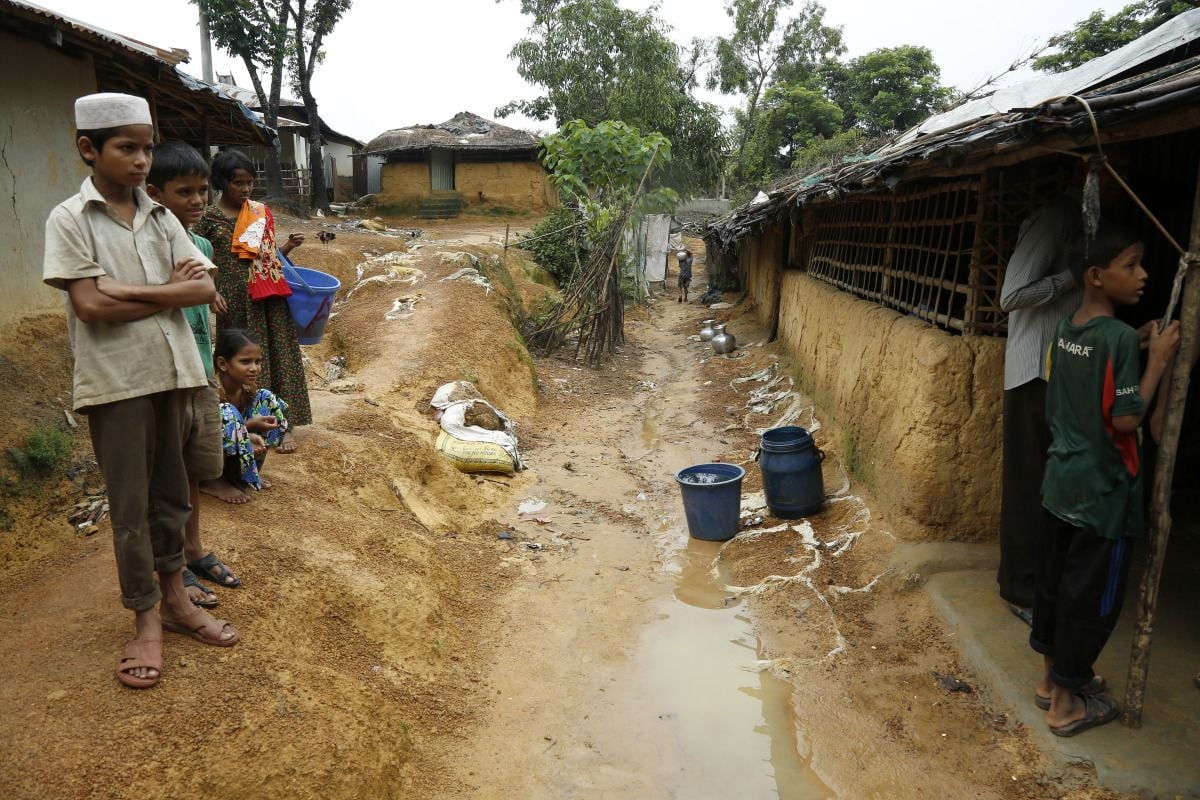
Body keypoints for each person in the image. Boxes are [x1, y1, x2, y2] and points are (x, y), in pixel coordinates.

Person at [43, 93, 239, 689]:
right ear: (89, 148)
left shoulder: (162, 217)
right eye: (127, 147)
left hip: (177, 374)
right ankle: (146, 618)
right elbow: (89, 305)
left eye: (147, 148)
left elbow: (202, 292)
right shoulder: (70, 220)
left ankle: (178, 601)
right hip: (118, 383)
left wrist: (128, 290)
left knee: (172, 498)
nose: (142, 161)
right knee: (130, 510)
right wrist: (161, 290)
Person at [1032, 227, 1179, 736]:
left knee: (1055, 587)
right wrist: (1155, 361)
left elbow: (1085, 376)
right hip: (1103, 496)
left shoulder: (1068, 330)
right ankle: (1068, 706)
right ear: (1097, 276)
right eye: (1132, 264)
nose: (1143, 276)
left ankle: (1050, 681)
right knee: (1090, 599)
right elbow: (1124, 420)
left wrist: (1135, 344)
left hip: (1060, 484)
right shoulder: (1116, 338)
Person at [143, 141, 241, 599]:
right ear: (154, 193)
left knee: (195, 471)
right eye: (185, 192)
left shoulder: (201, 244)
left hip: (199, 372)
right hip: (165, 376)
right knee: (164, 476)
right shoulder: (145, 248)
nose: (198, 201)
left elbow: (204, 306)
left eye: (202, 190)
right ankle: (170, 567)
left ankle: (194, 549)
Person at [996, 188, 1084, 622]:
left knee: (1047, 485)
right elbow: (1010, 296)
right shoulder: (1054, 220)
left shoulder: (1083, 226)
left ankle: (1038, 582)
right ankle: (1019, 588)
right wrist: (1071, 277)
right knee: (1027, 484)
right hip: (1032, 374)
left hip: (1057, 375)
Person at [194, 149, 310, 453]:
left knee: (278, 358)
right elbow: (197, 258)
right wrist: (211, 291)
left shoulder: (258, 211)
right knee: (241, 366)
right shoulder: (208, 219)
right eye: (238, 183)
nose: (245, 190)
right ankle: (243, 426)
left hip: (269, 296)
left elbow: (267, 256)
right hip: (235, 301)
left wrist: (288, 246)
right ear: (221, 183)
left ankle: (283, 427)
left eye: (249, 183)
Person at [212, 328, 292, 495]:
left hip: (236, 443)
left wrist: (249, 433)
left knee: (267, 398)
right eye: (245, 362)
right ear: (223, 364)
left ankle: (249, 471)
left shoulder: (247, 388)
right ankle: (214, 481)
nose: (254, 368)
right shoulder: (211, 392)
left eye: (257, 361)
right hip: (207, 457)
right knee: (227, 411)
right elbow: (206, 434)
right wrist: (247, 427)